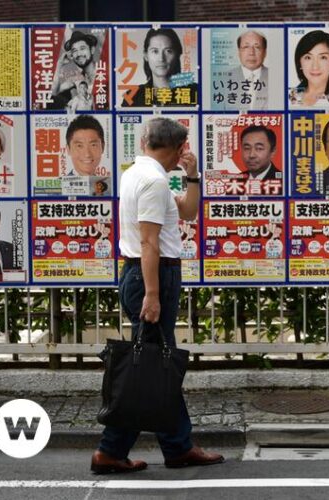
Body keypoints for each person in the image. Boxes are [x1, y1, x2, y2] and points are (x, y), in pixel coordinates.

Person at [91, 117, 223, 474]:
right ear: (179, 148)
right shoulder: (151, 180)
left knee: (155, 364)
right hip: (153, 274)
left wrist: (192, 176)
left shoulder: (142, 173)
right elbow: (149, 242)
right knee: (148, 368)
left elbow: (188, 212)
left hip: (148, 272)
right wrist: (152, 294)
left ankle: (176, 446)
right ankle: (112, 449)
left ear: (146, 142)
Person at [127, 28, 198, 107]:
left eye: (168, 51)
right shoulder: (132, 96)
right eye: (155, 51)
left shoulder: (196, 92)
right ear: (146, 55)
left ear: (177, 54)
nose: (161, 59)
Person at [288, 30, 329, 108]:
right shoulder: (287, 98)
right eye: (308, 57)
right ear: (299, 62)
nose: (315, 66)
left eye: (323, 57)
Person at [49, 30, 99, 110]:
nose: (79, 54)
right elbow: (52, 95)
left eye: (82, 48)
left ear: (92, 50)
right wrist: (59, 64)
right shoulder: (76, 80)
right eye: (75, 51)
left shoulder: (104, 74)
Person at [224, 30, 269, 109]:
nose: (251, 52)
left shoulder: (276, 78)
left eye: (257, 47)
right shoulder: (223, 79)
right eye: (246, 47)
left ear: (265, 52)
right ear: (239, 52)